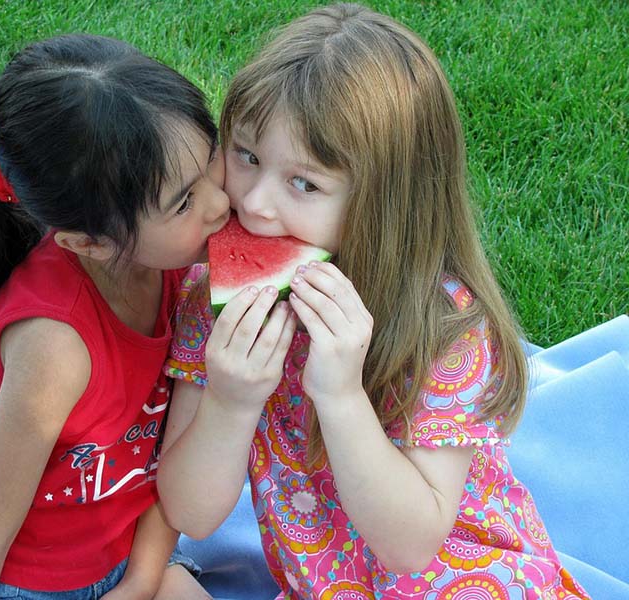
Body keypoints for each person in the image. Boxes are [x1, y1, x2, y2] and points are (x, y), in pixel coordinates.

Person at [157, 4, 590, 599]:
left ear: (385, 198)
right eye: (246, 156)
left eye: (304, 182)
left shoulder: (444, 326)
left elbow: (410, 548)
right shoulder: (213, 296)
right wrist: (229, 403)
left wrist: (340, 396)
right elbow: (192, 515)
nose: (255, 202)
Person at [0, 34, 229, 600]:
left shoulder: (177, 264)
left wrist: (140, 581)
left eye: (213, 162)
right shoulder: (55, 347)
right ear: (87, 242)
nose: (220, 205)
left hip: (130, 543)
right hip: (27, 579)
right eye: (185, 201)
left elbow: (171, 446)